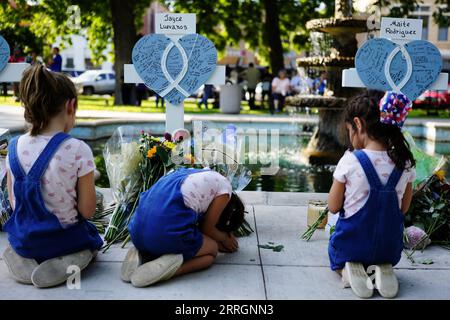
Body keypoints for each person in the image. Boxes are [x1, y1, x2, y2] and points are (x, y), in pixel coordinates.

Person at [2, 64, 103, 288]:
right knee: (92, 241)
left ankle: (21, 257)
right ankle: (71, 261)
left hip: (26, 238)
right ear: (71, 105)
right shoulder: (78, 149)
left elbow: (13, 202)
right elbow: (87, 211)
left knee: (20, 240)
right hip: (63, 240)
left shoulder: (13, 148)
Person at [327, 91, 416, 299]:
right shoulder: (405, 163)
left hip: (351, 246)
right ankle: (382, 269)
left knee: (334, 245)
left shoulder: (350, 160)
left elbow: (332, 206)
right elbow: (403, 209)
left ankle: (346, 270)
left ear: (358, 124)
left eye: (349, 130)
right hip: (389, 250)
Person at [122, 168, 245, 287]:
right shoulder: (225, 189)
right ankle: (171, 270)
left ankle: (143, 253)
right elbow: (207, 229)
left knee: (161, 229)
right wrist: (224, 238)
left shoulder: (194, 173)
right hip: (161, 235)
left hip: (136, 232)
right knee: (211, 251)